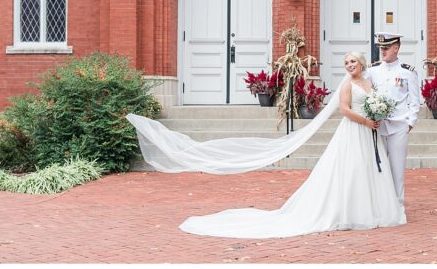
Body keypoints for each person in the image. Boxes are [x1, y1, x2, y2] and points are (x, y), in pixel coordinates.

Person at [162, 51, 405, 238]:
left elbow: (376, 102)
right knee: (351, 170)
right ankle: (350, 212)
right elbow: (343, 109)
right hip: (354, 130)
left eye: (353, 62)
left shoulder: (369, 84)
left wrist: (377, 116)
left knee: (368, 170)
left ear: (361, 63)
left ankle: (374, 211)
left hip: (369, 132)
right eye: (346, 63)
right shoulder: (347, 85)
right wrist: (366, 120)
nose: (350, 65)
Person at [365, 33, 421, 204]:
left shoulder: (407, 72)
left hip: (399, 127)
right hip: (378, 127)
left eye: (386, 48)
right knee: (378, 168)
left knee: (397, 170)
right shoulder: (372, 71)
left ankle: (397, 205)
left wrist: (409, 124)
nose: (383, 51)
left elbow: (414, 101)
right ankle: (380, 205)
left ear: (396, 48)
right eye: (381, 48)